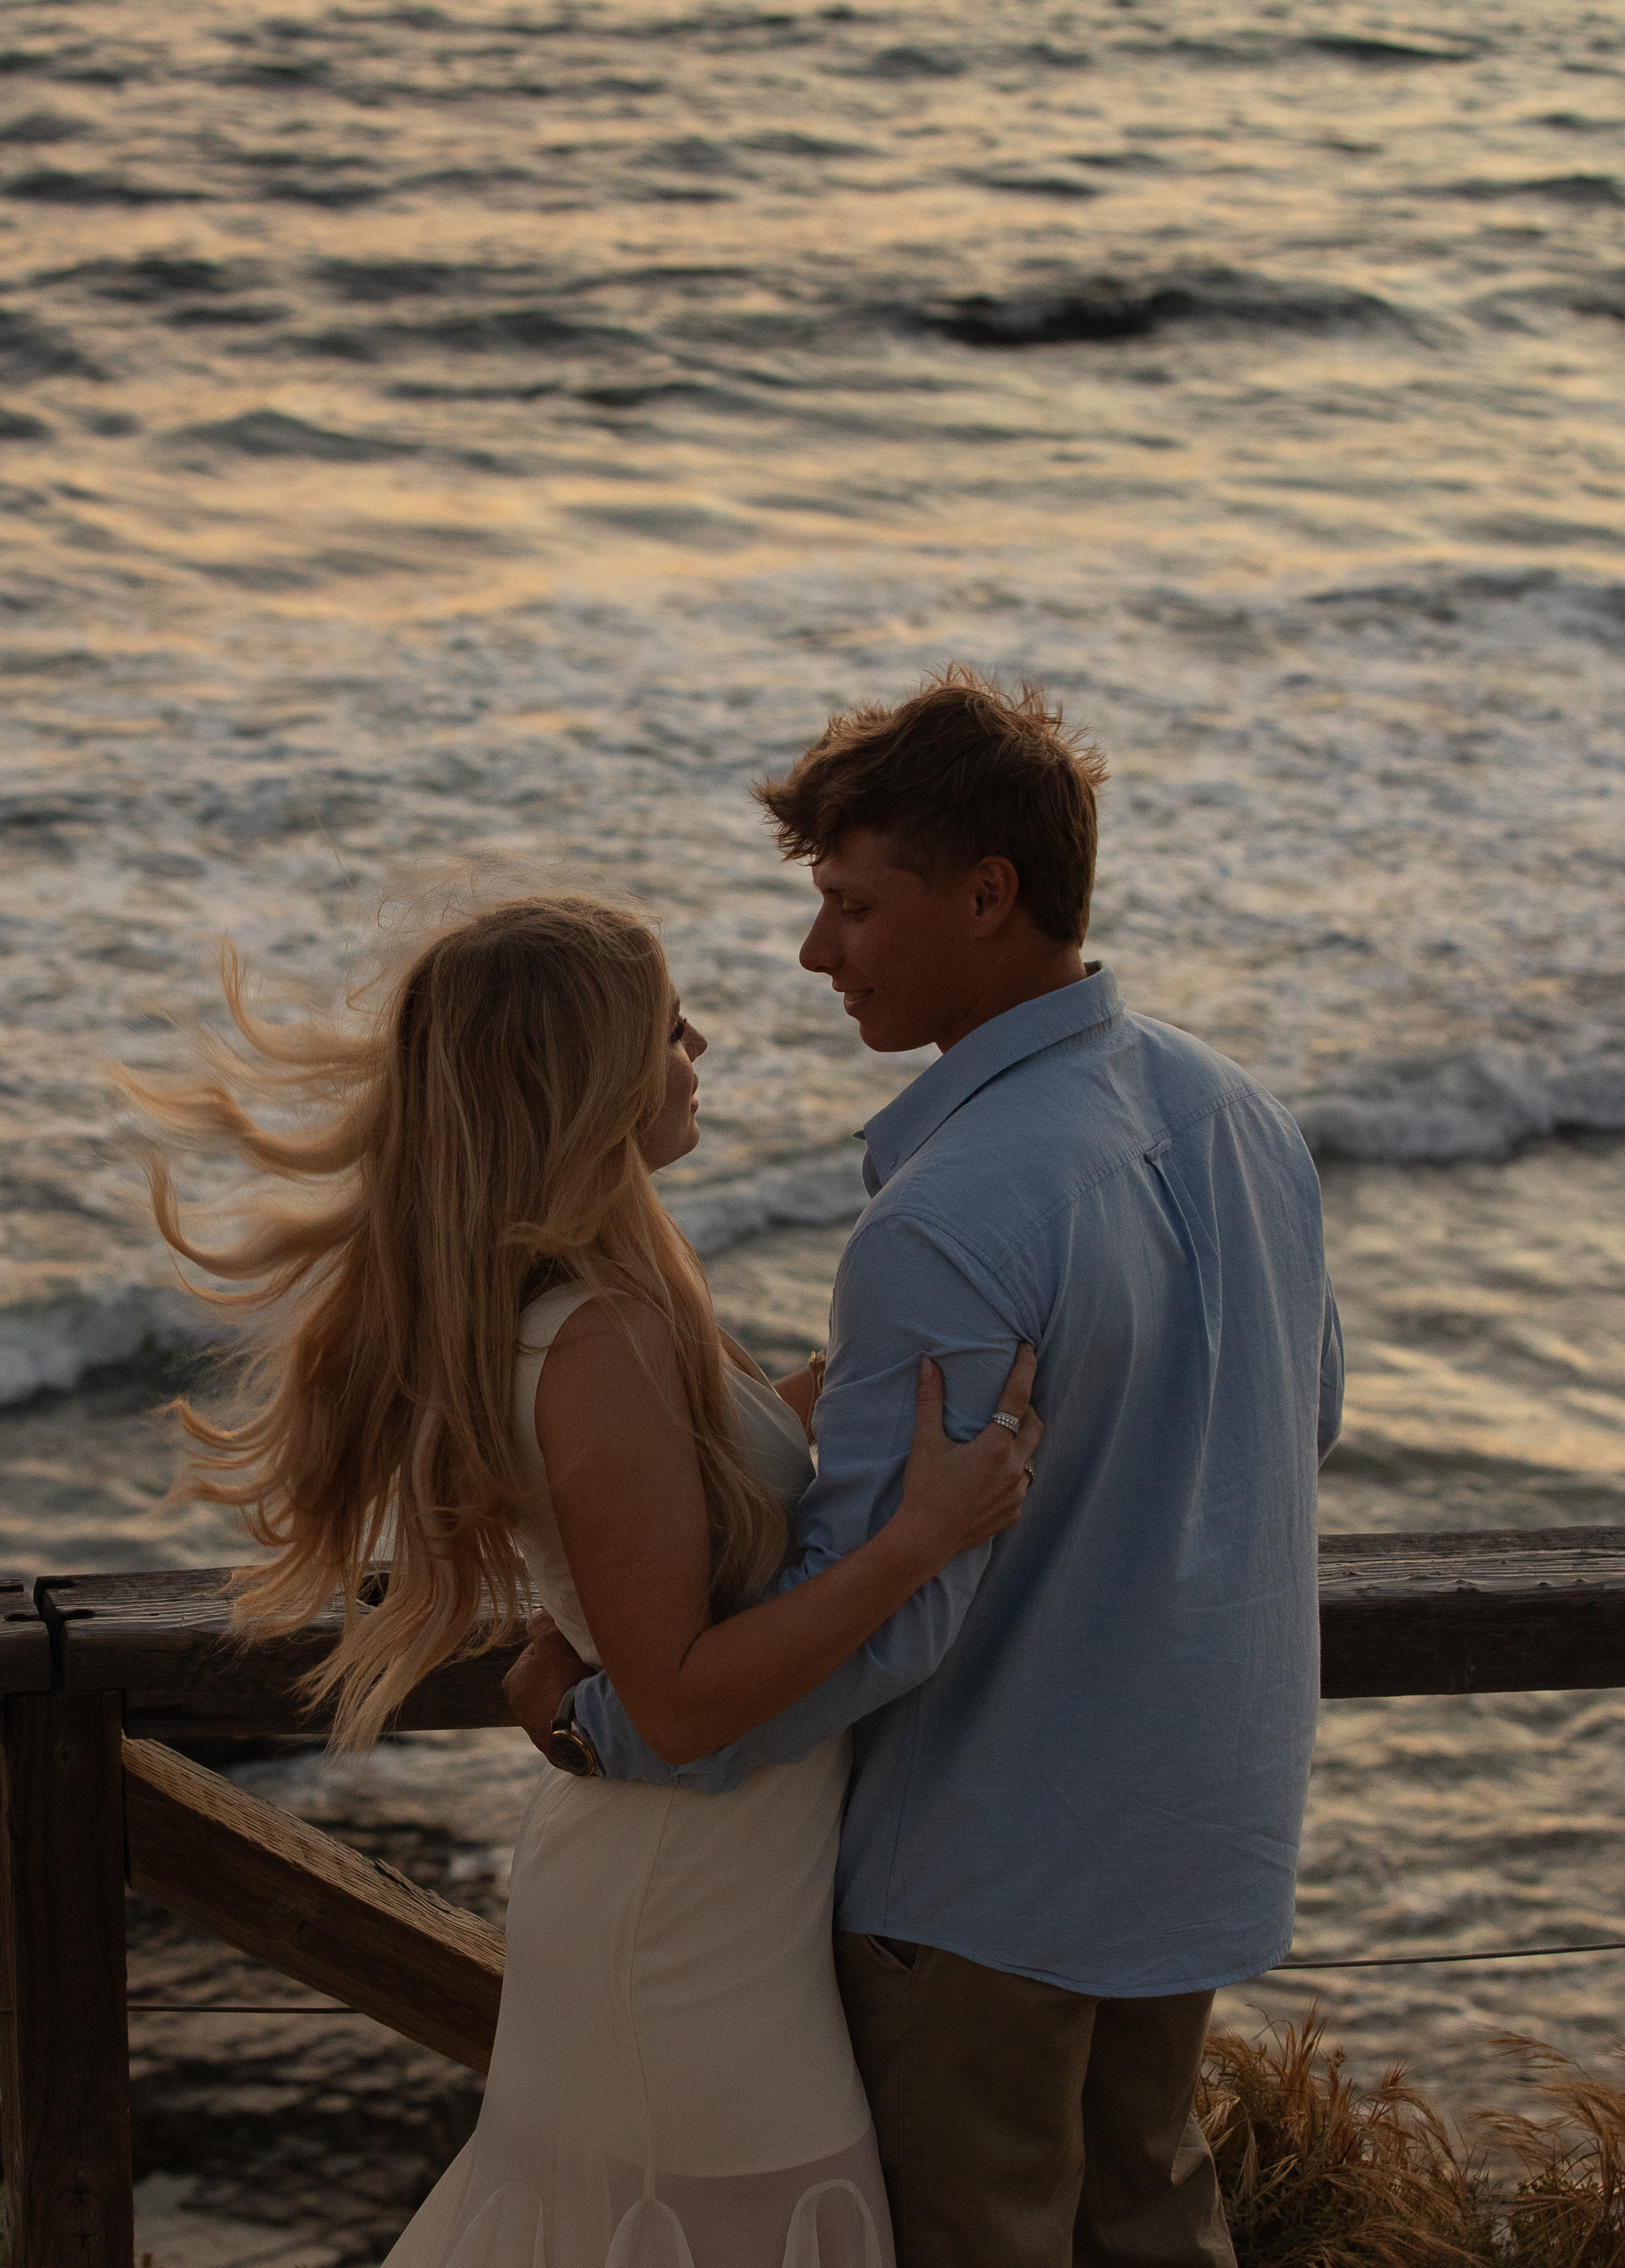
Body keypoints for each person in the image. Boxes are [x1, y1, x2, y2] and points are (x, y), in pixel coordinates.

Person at [506, 668, 1343, 2268]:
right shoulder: (1242, 1116)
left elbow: (892, 1610)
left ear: (989, 893)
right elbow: (1296, 1437)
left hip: (984, 1873)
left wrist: (601, 1723)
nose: (815, 954)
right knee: (1152, 2228)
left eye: (850, 907)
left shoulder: (948, 1218)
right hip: (1196, 1826)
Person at [129, 892, 1043, 2268]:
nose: (700, 1045)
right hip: (681, 1929)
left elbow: (691, 1496)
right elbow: (673, 1701)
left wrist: (874, 1369)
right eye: (671, 1027)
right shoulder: (595, 1334)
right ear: (592, 1075)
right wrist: (919, 1538)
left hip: (711, 1896)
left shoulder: (611, 1301)